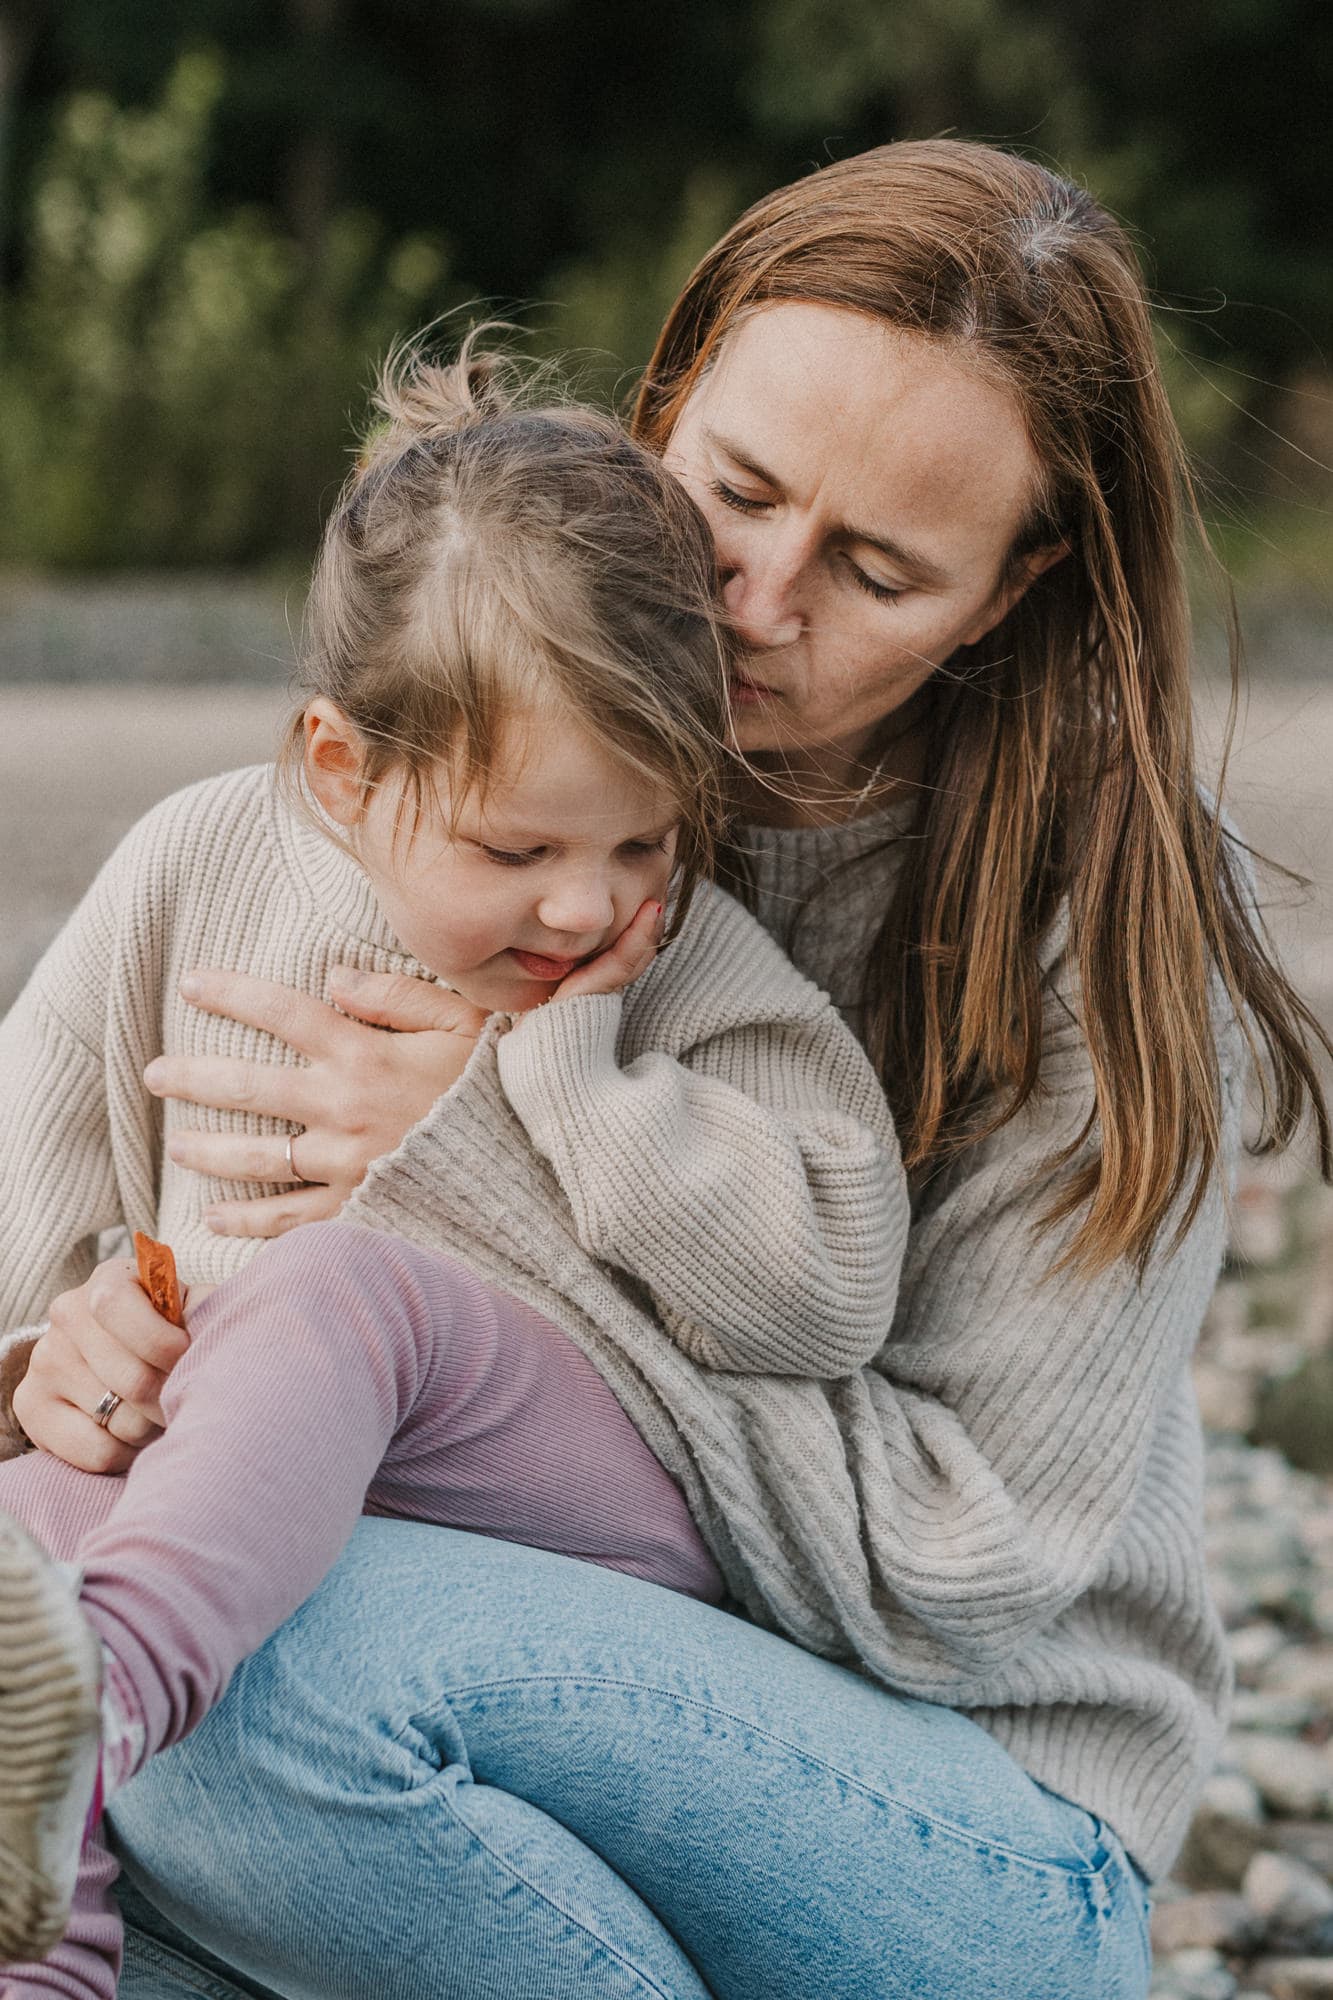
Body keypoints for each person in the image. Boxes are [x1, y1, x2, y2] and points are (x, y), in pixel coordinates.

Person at [5, 139, 1329, 1999]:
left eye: (876, 569)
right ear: (665, 402)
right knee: (131, 1673)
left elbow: (950, 1573)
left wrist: (482, 1176)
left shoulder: (1108, 917)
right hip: (453, 1771)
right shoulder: (355, 815)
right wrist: (52, 1367)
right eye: (735, 493)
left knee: (248, 1662)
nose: (756, 605)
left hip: (959, 1830)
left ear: (1011, 589)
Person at [0, 345, 916, 1991]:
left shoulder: (677, 961)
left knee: (338, 1290)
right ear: (345, 769)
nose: (583, 905)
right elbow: (28, 1213)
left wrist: (560, 1067)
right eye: (517, 849)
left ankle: (110, 1689)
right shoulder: (192, 867)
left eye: (641, 839)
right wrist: (55, 1356)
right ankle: (47, 1936)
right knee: (31, 1517)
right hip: (238, 1509)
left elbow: (831, 1281)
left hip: (561, 1526)